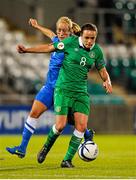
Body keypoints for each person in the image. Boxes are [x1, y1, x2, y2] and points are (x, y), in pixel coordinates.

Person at [15, 23, 112, 168]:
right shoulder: (69, 43)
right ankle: (46, 148)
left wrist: (107, 81)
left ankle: (66, 160)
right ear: (81, 36)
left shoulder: (97, 51)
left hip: (81, 92)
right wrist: (28, 50)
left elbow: (102, 70)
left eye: (93, 38)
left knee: (81, 126)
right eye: (87, 38)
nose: (90, 41)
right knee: (60, 126)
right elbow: (49, 47)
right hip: (63, 90)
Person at [6, 17, 93, 158]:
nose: (60, 33)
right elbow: (50, 34)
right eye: (59, 30)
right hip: (49, 87)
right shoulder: (58, 40)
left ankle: (87, 133)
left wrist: (27, 50)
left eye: (64, 31)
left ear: (70, 32)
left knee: (68, 122)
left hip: (63, 89)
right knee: (34, 113)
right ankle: (22, 148)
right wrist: (37, 26)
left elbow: (47, 48)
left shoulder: (69, 46)